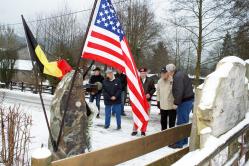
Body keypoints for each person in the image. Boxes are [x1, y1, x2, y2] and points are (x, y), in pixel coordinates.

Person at [166, 64, 194, 149]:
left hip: (184, 102)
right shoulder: (180, 74)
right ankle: (184, 140)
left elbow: (179, 91)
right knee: (184, 122)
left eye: (167, 71)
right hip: (187, 100)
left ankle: (179, 143)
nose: (167, 73)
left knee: (181, 122)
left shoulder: (177, 77)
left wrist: (176, 103)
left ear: (170, 71)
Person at [131, 67, 156, 136]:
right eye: (141, 73)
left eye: (144, 73)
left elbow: (153, 89)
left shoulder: (150, 80)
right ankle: (135, 130)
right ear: (139, 73)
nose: (142, 74)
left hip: (147, 101)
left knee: (145, 116)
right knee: (137, 115)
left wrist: (150, 94)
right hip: (138, 102)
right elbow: (133, 89)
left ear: (146, 73)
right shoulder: (136, 80)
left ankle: (143, 130)